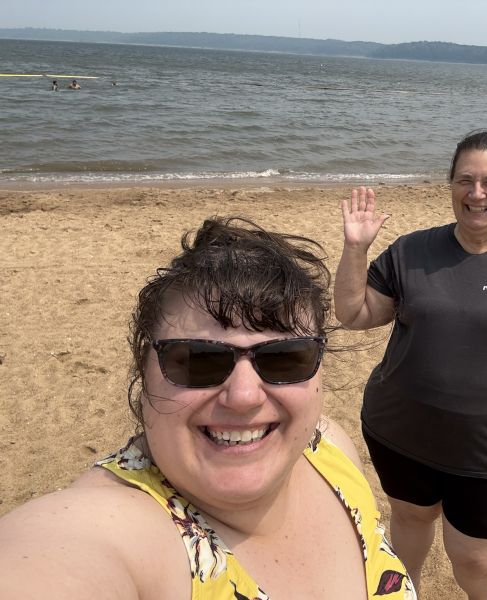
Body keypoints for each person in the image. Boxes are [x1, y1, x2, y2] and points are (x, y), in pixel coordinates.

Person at [0, 217, 416, 599]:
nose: (245, 396)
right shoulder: (109, 528)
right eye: (198, 360)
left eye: (285, 358)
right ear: (143, 373)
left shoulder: (329, 448)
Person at [334, 130, 487, 599]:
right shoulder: (412, 251)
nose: (477, 193)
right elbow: (354, 314)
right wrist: (355, 249)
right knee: (409, 520)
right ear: (450, 185)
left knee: (479, 559)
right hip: (400, 432)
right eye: (465, 180)